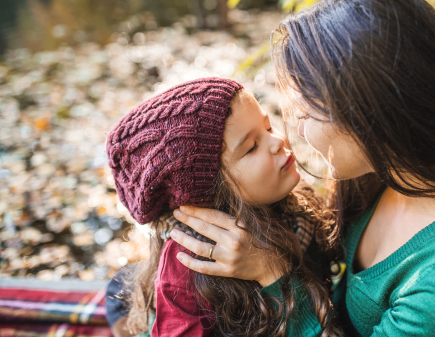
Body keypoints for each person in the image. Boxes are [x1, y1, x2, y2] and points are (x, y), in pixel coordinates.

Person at [171, 0, 435, 336]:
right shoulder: (392, 167)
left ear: (369, 118)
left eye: (308, 114)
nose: (298, 132)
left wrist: (271, 273)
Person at [104, 77, 342, 337]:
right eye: (252, 147)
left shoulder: (298, 208)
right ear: (212, 193)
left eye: (269, 127)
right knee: (120, 293)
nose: (278, 141)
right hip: (170, 311)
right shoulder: (189, 264)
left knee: (121, 282)